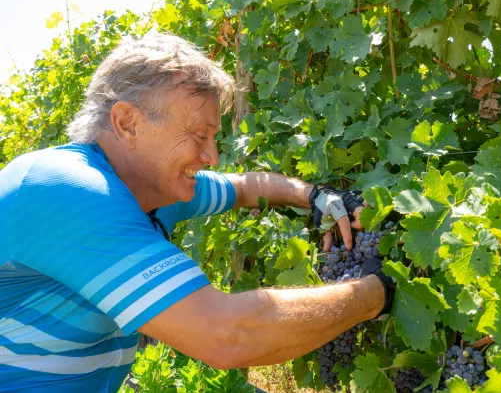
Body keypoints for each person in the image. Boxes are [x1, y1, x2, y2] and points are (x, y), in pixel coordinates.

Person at [0, 33, 395, 392]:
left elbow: (245, 187)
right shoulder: (64, 191)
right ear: (127, 123)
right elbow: (225, 335)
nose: (212, 156)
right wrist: (377, 292)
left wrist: (317, 197)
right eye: (198, 134)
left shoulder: (153, 189)